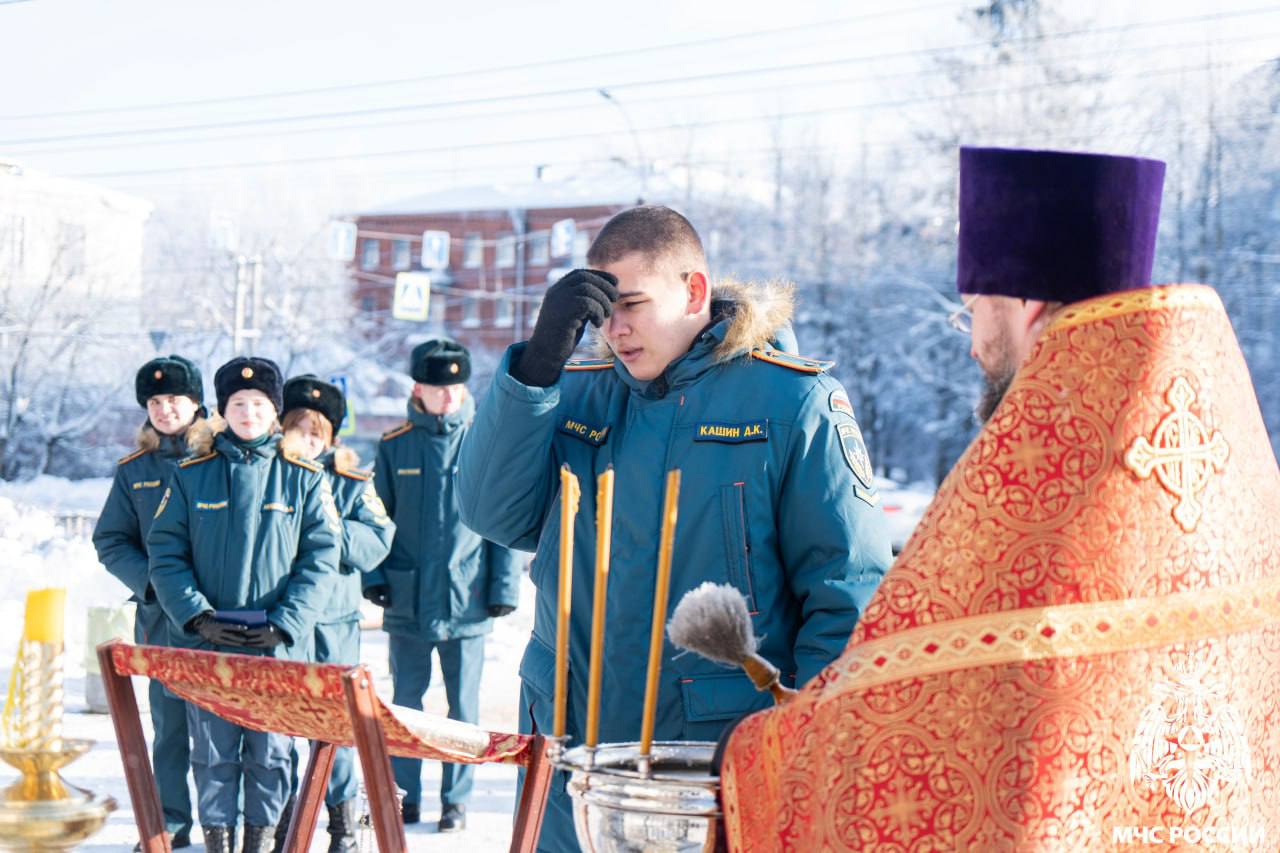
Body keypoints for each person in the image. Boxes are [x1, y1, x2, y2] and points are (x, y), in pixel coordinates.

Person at [717, 147, 1280, 849]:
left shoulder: (1034, 489)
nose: (973, 345)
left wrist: (763, 754)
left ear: (1026, 305)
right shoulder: (1232, 459)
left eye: (972, 314)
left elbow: (907, 708)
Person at [456, 205, 893, 851]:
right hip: (571, 756)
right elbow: (491, 511)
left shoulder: (793, 403)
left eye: (633, 304)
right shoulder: (576, 393)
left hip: (709, 765)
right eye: (605, 310)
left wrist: (801, 746)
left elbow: (846, 594)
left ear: (693, 291)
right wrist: (535, 370)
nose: (616, 328)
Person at [149, 356, 340, 853]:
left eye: (258, 404)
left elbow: (321, 559)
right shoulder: (192, 475)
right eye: (238, 403)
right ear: (222, 410)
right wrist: (196, 616)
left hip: (276, 648)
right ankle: (218, 842)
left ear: (275, 411)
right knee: (212, 754)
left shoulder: (304, 478)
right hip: (209, 646)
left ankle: (262, 842)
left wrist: (285, 623)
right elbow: (165, 554)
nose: (248, 413)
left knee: (271, 754)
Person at [363, 338, 522, 832]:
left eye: (455, 387)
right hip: (406, 598)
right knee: (405, 704)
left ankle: (456, 800)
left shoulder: (483, 442)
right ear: (418, 390)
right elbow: (375, 517)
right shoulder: (394, 446)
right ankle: (406, 795)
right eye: (437, 388)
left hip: (466, 598)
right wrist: (374, 576)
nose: (448, 396)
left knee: (462, 708)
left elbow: (502, 520)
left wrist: (503, 587)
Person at [93, 354, 209, 850]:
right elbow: (111, 539)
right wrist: (153, 584)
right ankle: (172, 822)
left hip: (219, 617)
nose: (165, 410)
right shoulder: (134, 470)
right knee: (169, 729)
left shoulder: (220, 457)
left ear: (196, 403)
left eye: (174, 399)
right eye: (155, 402)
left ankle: (231, 822)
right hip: (162, 621)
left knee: (228, 729)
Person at [277, 374, 394, 852]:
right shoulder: (272, 477)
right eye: (297, 429)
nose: (307, 440)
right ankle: (284, 820)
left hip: (334, 625)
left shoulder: (352, 484)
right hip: (283, 622)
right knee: (282, 727)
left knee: (336, 728)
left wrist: (324, 528)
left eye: (316, 432)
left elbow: (378, 541)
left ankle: (342, 827)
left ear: (331, 437)